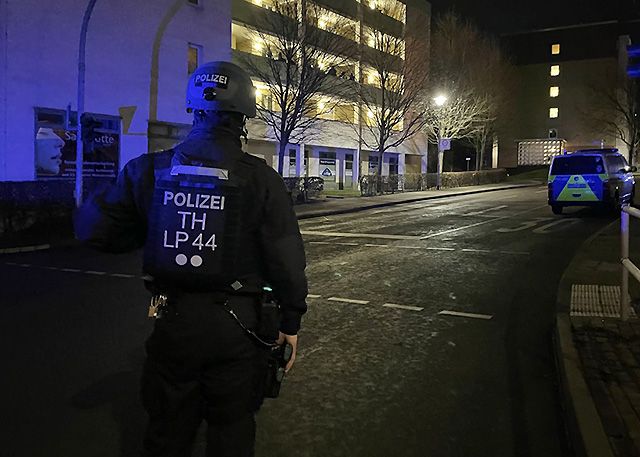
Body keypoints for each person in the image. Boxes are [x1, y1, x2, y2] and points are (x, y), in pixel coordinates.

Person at [74, 61, 308, 457]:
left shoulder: (148, 170)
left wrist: (148, 223)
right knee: (231, 429)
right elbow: (286, 259)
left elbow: (94, 230)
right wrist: (290, 322)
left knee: (167, 430)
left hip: (174, 323)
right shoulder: (261, 179)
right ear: (244, 116)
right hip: (240, 328)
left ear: (194, 110)